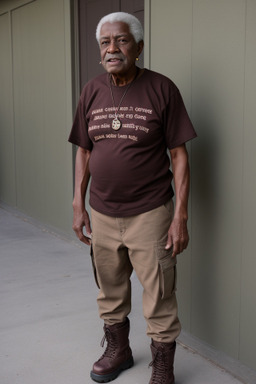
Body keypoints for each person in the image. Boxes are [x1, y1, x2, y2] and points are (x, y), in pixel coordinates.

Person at [69, 12, 197, 384]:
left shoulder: (162, 89)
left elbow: (179, 155)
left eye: (122, 40)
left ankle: (162, 365)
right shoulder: (91, 90)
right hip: (103, 212)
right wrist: (79, 203)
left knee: (159, 292)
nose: (113, 48)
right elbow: (84, 150)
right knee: (109, 289)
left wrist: (180, 216)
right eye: (106, 42)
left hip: (151, 212)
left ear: (138, 47)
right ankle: (119, 350)